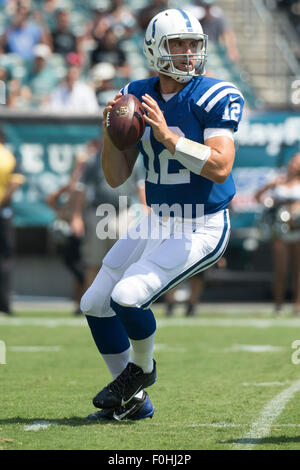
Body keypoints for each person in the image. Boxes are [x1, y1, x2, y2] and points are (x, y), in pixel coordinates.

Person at [80, 8, 244, 422]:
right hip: (159, 216)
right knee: (96, 302)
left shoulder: (215, 94)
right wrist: (110, 136)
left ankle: (143, 370)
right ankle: (133, 401)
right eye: (178, 44)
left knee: (127, 296)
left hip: (203, 222)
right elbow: (117, 178)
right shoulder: (135, 93)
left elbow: (221, 165)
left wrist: (170, 139)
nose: (188, 53)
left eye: (194, 44)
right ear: (155, 49)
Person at [255, 152, 300, 315]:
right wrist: (268, 187)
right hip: (280, 229)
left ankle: (297, 305)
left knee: (298, 270)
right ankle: (278, 305)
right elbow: (257, 197)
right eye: (294, 161)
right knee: (280, 270)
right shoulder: (279, 180)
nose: (295, 165)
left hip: (298, 228)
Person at [0, 129, 25, 315]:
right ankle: (5, 304)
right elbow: (15, 183)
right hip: (3, 212)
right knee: (5, 260)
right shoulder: (7, 157)